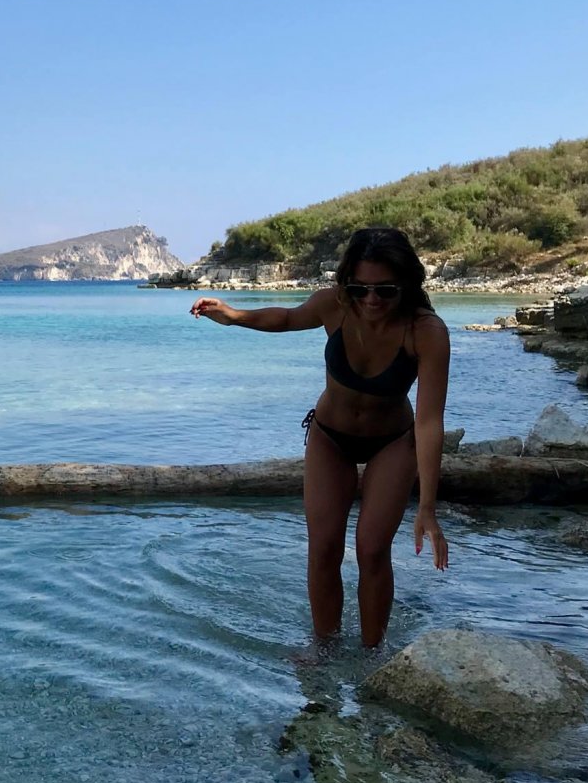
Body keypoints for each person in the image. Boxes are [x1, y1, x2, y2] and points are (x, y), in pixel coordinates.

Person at [189, 227, 450, 648]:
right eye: (360, 288)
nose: (371, 300)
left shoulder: (426, 331)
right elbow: (288, 318)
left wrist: (428, 508)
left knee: (371, 549)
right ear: (347, 283)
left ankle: (373, 654)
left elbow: (429, 422)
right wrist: (234, 315)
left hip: (392, 442)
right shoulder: (335, 305)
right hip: (331, 437)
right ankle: (324, 650)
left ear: (407, 284)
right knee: (325, 547)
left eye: (385, 290)